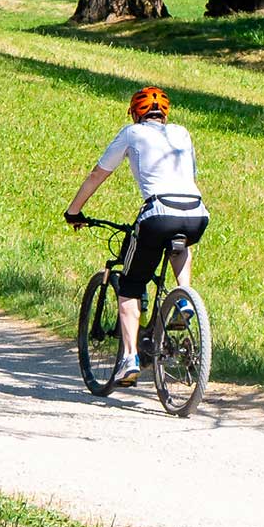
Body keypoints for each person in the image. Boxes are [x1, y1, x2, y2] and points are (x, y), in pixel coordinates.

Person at [64, 86, 209, 388]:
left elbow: (97, 174)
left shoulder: (131, 133)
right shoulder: (182, 133)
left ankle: (129, 359)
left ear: (135, 112)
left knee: (130, 285)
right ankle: (184, 298)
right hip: (196, 213)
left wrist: (74, 211)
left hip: (158, 213)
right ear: (164, 113)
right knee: (179, 244)